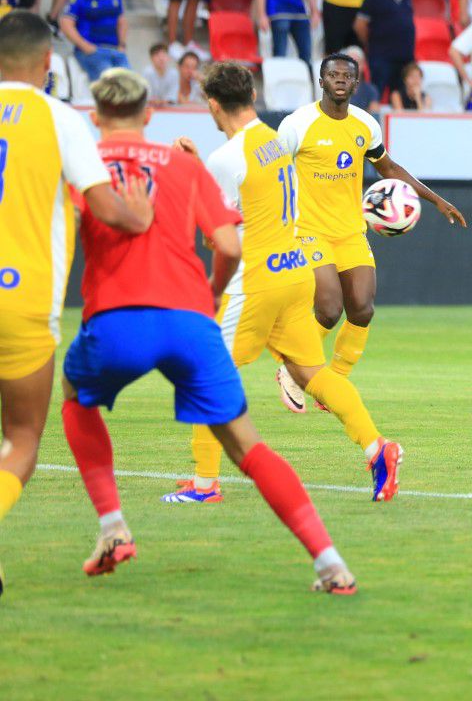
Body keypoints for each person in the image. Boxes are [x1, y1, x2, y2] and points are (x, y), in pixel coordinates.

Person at [58, 67, 357, 593]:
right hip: (187, 321)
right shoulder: (185, 165)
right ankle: (331, 564)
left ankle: (113, 527)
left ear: (95, 117)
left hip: (116, 321)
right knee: (249, 446)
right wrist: (212, 295)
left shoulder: (84, 168)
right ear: (149, 114)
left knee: (73, 398)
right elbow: (230, 244)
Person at [162, 60, 401, 504]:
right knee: (312, 373)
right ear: (253, 97)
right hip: (294, 274)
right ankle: (376, 449)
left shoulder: (226, 157)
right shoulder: (273, 141)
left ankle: (204, 484)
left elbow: (219, 234)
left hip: (256, 280)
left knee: (207, 372)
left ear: (213, 105)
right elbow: (252, 195)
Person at [0, 13, 151, 596]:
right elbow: (107, 207)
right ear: (46, 64)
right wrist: (139, 215)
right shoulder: (57, 117)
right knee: (20, 438)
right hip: (22, 298)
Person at [271, 53, 467, 411]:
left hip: (349, 232)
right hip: (308, 230)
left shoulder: (365, 125)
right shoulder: (297, 124)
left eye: (347, 76)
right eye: (333, 75)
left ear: (357, 84)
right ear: (321, 82)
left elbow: (388, 167)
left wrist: (437, 200)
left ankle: (335, 381)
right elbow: (270, 171)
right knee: (329, 309)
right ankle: (292, 368)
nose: (340, 80)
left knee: (361, 309)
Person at [354, 0, 416, 99]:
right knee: (377, 94)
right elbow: (359, 25)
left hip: (405, 59)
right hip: (381, 58)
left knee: (401, 98)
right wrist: (370, 42)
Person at [60, 0, 129, 81]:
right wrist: (84, 46)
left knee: (131, 83)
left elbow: (122, 21)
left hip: (116, 50)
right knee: (110, 82)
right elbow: (66, 23)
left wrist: (122, 45)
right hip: (92, 51)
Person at [342, 46, 380, 112]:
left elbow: (374, 115)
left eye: (356, 63)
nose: (353, 67)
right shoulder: (336, 88)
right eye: (349, 63)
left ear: (364, 65)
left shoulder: (371, 90)